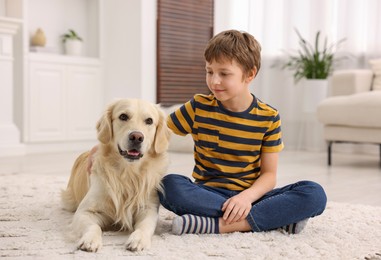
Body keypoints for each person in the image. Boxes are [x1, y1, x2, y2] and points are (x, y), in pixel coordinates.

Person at [158, 29, 327, 235]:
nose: (214, 81)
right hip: (207, 192)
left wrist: (245, 198)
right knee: (168, 185)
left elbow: (269, 175)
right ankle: (273, 220)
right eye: (209, 71)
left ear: (250, 74)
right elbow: (159, 131)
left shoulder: (269, 117)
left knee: (314, 193)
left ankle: (216, 225)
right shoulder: (198, 107)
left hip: (252, 195)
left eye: (224, 74)